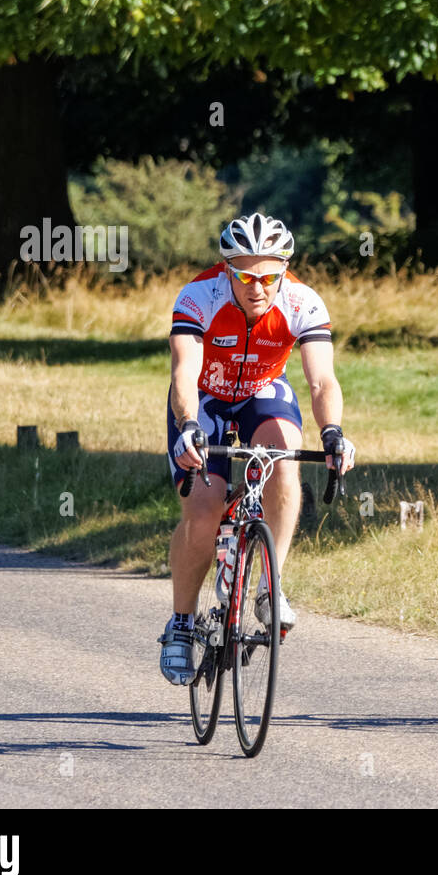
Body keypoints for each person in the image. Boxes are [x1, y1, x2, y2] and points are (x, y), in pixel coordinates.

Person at [158, 212, 355, 685]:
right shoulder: (198, 297)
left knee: (284, 462)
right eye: (245, 276)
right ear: (227, 270)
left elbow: (322, 378)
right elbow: (183, 373)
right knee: (203, 510)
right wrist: (187, 426)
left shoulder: (302, 302)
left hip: (262, 392)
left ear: (284, 271)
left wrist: (333, 433)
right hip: (204, 399)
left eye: (270, 276)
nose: (258, 287)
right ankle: (182, 623)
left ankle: (269, 587)